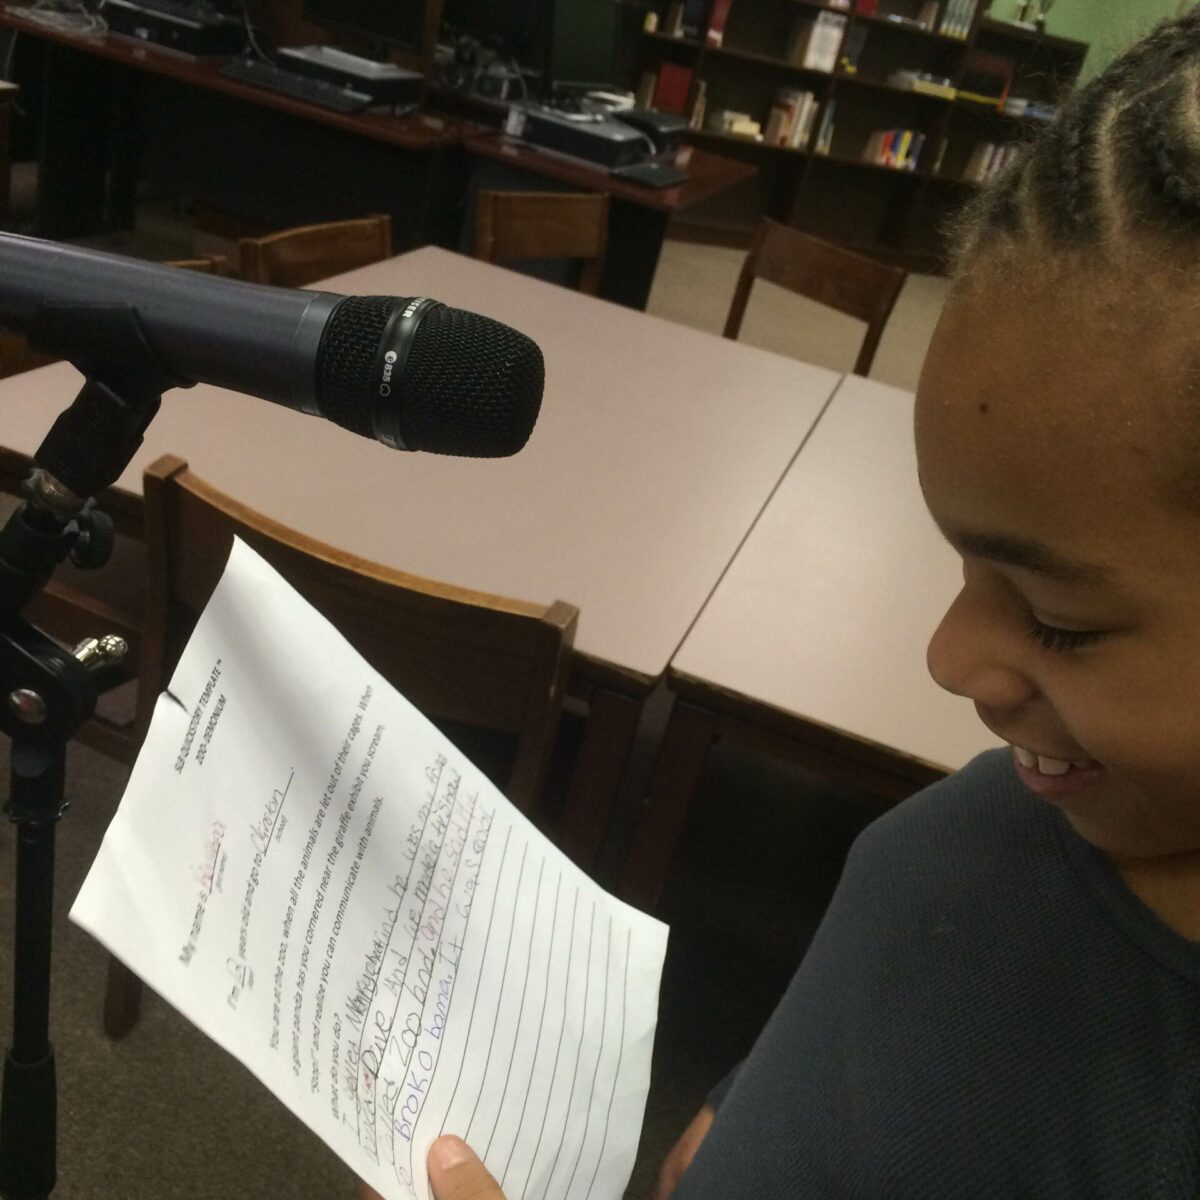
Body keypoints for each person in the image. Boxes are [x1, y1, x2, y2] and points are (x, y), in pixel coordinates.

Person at [411, 9, 1200, 1197]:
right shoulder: (1067, 813)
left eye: (1061, 620)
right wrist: (739, 1106)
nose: (949, 657)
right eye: (963, 567)